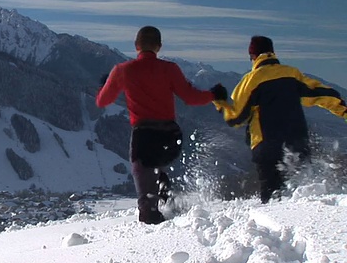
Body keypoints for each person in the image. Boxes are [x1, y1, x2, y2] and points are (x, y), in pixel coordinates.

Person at [96, 25, 227, 224]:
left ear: (136, 45)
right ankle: (166, 197)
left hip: (145, 136)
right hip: (171, 137)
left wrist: (108, 84)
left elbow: (102, 101)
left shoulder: (123, 70)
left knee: (142, 169)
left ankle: (151, 213)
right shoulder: (170, 69)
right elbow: (191, 98)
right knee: (156, 164)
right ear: (159, 46)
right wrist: (213, 94)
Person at [214, 36, 347, 204]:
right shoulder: (292, 74)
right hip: (297, 141)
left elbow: (236, 118)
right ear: (273, 52)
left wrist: (219, 102)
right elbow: (321, 94)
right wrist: (344, 112)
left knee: (272, 198)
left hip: (267, 146)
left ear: (252, 56)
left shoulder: (250, 81)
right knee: (302, 193)